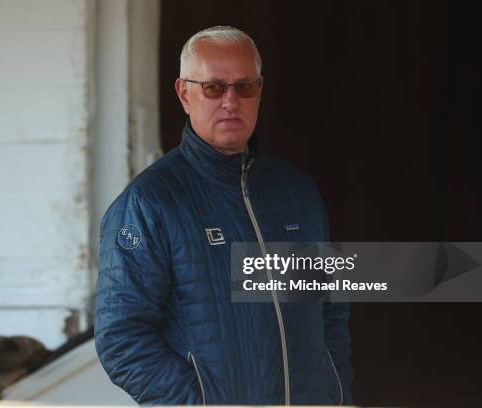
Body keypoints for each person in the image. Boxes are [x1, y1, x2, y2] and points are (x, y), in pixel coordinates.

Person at [94, 26, 353, 405]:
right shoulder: (149, 202)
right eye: (214, 87)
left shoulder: (297, 192)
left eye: (244, 87)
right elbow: (121, 337)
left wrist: (336, 393)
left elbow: (330, 309)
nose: (231, 101)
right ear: (185, 93)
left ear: (259, 91)